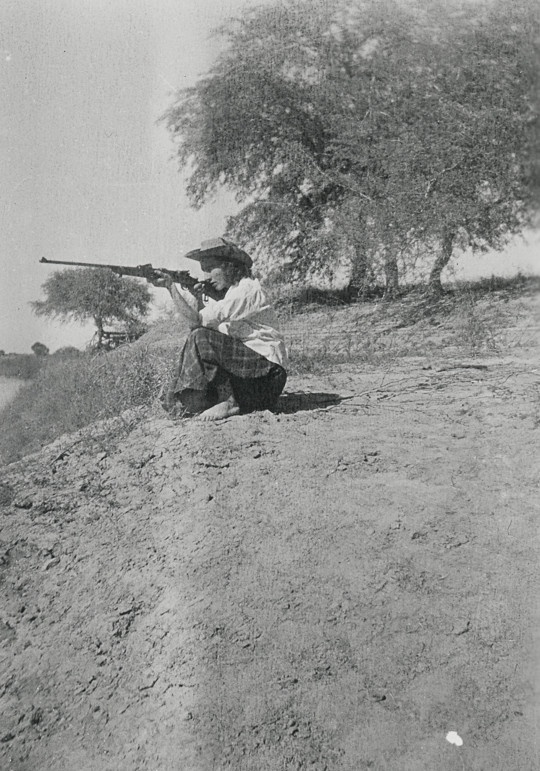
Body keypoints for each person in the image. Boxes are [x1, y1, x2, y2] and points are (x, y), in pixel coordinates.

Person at [150, 237, 288, 421]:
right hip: (252, 379)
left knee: (200, 336)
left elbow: (197, 324)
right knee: (199, 338)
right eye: (204, 270)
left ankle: (229, 402)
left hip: (267, 377)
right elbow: (207, 327)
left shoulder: (246, 290)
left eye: (210, 268)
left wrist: (171, 287)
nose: (206, 276)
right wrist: (198, 298)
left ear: (229, 266)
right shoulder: (232, 294)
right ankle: (195, 400)